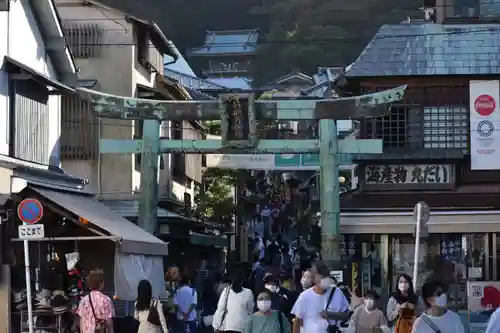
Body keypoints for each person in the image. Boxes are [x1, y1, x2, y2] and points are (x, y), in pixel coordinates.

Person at [291, 261, 350, 333]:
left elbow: (346, 315)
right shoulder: (304, 297)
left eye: (326, 275)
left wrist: (331, 315)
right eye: (321, 276)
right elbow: (297, 321)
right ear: (314, 278)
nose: (325, 279)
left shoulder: (337, 292)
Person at [212, 267, 254, 333]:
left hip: (229, 327)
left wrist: (216, 325)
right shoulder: (248, 292)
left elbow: (221, 309)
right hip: (240, 327)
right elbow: (250, 311)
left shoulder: (226, 291)